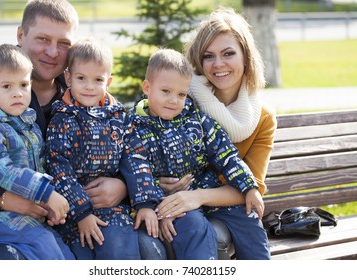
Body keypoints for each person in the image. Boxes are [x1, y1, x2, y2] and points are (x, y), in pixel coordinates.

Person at [0, 0, 149, 260]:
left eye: (63, 43)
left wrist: (123, 186)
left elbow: (124, 143)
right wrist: (3, 199)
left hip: (72, 216)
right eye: (42, 39)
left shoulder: (83, 91)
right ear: (21, 35)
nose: (52, 52)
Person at [120, 48, 266, 260]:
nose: (173, 100)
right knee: (194, 227)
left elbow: (226, 154)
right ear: (147, 88)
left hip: (206, 191)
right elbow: (137, 171)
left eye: (181, 94)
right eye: (165, 91)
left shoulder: (196, 120)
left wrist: (249, 186)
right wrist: (158, 207)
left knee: (249, 217)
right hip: (173, 203)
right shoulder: (133, 127)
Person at [155, 7, 277, 260]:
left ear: (246, 57)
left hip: (221, 205)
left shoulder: (262, 117)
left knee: (250, 226)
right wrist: (158, 183)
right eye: (208, 56)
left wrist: (197, 197)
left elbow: (253, 186)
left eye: (228, 53)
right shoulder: (181, 101)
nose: (218, 64)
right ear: (199, 61)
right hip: (179, 206)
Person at [0, 44, 73, 260]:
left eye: (23, 85)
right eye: (7, 86)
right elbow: (1, 169)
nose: (17, 93)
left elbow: (39, 162)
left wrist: (48, 202)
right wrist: (45, 192)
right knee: (46, 248)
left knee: (61, 250)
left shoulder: (24, 119)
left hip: (25, 210)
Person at [45, 37, 141, 260]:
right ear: (68, 78)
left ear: (108, 82)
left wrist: (144, 201)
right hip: (73, 212)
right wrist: (82, 212)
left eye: (97, 79)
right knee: (80, 254)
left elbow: (135, 158)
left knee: (119, 250)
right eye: (81, 78)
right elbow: (58, 167)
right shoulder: (62, 119)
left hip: (114, 210)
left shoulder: (119, 117)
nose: (89, 86)